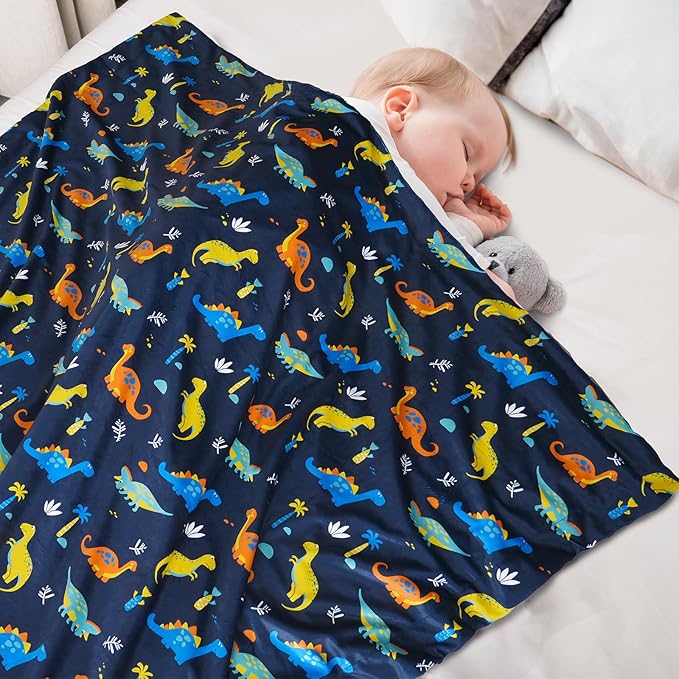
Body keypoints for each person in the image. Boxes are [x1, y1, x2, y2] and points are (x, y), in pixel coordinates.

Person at [346, 47, 519, 303]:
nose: (469, 183)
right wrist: (490, 287)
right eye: (467, 153)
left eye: (477, 178)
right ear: (400, 108)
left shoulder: (403, 205)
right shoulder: (339, 123)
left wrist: (465, 223)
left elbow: (421, 249)